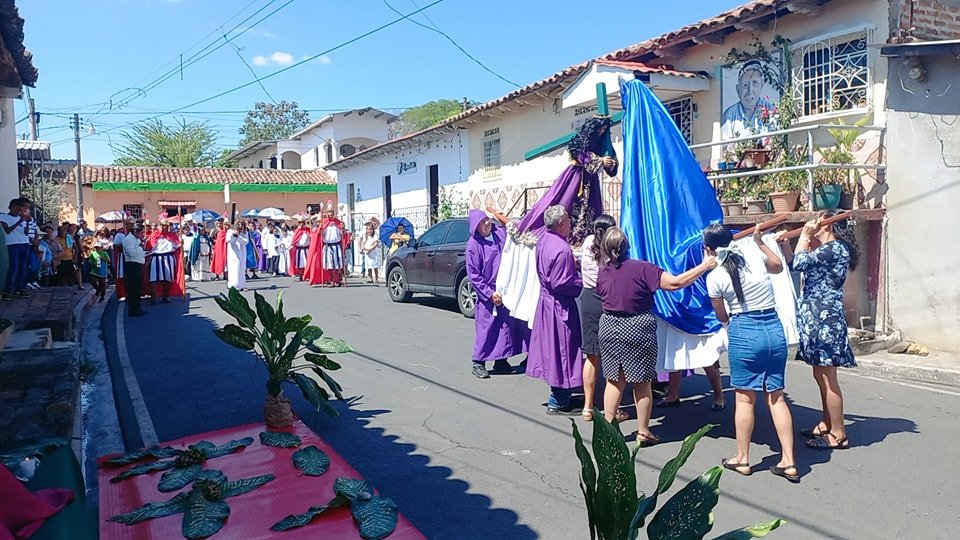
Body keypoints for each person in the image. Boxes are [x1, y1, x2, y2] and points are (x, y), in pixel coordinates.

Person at [596, 227, 716, 445]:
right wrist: (704, 266)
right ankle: (643, 431)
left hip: (609, 325)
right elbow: (675, 283)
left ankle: (608, 431)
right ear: (627, 247)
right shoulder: (642, 268)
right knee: (642, 383)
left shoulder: (603, 271)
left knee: (614, 381)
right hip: (637, 326)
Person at [703, 223, 798, 482]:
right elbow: (778, 266)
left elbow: (721, 314)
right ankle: (789, 461)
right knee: (776, 396)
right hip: (773, 327)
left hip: (744, 328)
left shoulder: (715, 276)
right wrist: (759, 241)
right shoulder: (754, 257)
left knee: (745, 399)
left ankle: (743, 458)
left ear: (708, 249)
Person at [780, 211, 860, 451]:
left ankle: (838, 433)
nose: (816, 229)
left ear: (830, 227)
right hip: (816, 318)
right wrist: (786, 245)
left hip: (826, 319)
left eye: (820, 225)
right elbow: (795, 263)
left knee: (828, 378)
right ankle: (827, 422)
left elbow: (801, 262)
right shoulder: (824, 251)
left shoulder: (835, 249)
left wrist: (804, 236)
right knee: (819, 375)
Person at [527, 206, 584, 415]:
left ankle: (559, 395)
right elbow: (561, 282)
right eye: (568, 219)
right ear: (561, 223)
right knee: (563, 351)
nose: (571, 222)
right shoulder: (561, 248)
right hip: (559, 305)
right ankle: (559, 400)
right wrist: (582, 282)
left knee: (554, 350)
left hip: (547, 303)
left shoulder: (544, 240)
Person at [466, 210, 522, 379]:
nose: (487, 224)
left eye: (487, 220)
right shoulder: (474, 245)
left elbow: (513, 228)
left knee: (505, 326)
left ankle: (501, 360)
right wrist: (489, 294)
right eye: (482, 222)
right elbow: (474, 274)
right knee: (487, 328)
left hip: (504, 289)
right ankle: (478, 362)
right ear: (476, 227)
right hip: (488, 292)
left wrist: (499, 216)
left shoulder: (498, 234)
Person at [578, 215, 619, 421]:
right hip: (606, 297)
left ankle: (588, 406)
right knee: (613, 355)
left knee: (591, 355)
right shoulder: (611, 248)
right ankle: (613, 409)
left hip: (587, 297)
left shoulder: (587, 243)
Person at [721, 59, 776, 140]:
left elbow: (776, 140)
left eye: (755, 83)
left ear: (761, 86)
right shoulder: (729, 115)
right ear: (738, 89)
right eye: (745, 85)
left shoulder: (770, 109)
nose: (750, 91)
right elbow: (725, 146)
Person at [0, 198, 32, 298]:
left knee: (23, 267)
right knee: (14, 267)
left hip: (25, 243)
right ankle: (9, 290)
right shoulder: (4, 217)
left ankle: (20, 288)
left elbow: (26, 233)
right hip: (13, 244)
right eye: (19, 208)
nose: (20, 211)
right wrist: (20, 221)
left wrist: (27, 222)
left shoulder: (22, 217)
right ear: (12, 207)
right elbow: (7, 231)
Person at [146, 220, 180, 303]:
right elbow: (149, 246)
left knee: (167, 279)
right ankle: (153, 298)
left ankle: (165, 297)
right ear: (160, 225)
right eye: (164, 225)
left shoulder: (172, 235)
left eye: (167, 225)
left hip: (168, 258)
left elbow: (176, 246)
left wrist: (181, 243)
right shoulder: (154, 234)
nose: (165, 227)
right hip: (156, 258)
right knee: (153, 278)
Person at [315, 208, 346, 287]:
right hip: (327, 246)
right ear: (327, 213)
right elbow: (319, 234)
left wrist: (343, 229)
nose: (330, 213)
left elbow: (343, 234)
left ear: (334, 213)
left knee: (337, 265)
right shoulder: (324, 223)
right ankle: (331, 280)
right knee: (329, 265)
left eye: (331, 212)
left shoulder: (338, 223)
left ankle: (337, 280)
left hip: (336, 246)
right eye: (329, 212)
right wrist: (320, 229)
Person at [122, 222, 148, 317]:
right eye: (141, 232)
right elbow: (132, 253)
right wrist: (140, 247)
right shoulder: (128, 240)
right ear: (135, 232)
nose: (142, 235)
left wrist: (145, 252)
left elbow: (139, 252)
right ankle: (132, 309)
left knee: (137, 288)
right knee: (132, 289)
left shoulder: (136, 240)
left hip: (138, 265)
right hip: (132, 266)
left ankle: (137, 307)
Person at [82, 236, 109, 303]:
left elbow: (109, 261)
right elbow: (90, 261)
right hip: (94, 270)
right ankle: (97, 289)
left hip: (102, 271)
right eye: (96, 248)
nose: (97, 249)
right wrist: (94, 263)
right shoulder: (93, 253)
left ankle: (102, 296)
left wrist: (102, 258)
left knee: (102, 284)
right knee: (91, 279)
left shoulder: (104, 253)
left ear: (101, 248)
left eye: (99, 248)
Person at [226, 221, 249, 291]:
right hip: (233, 252)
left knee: (241, 268)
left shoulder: (245, 232)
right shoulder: (230, 231)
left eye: (242, 225)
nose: (240, 226)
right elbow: (228, 240)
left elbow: (245, 242)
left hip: (242, 252)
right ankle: (234, 285)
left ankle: (241, 285)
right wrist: (233, 235)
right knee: (234, 268)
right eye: (238, 224)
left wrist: (238, 237)